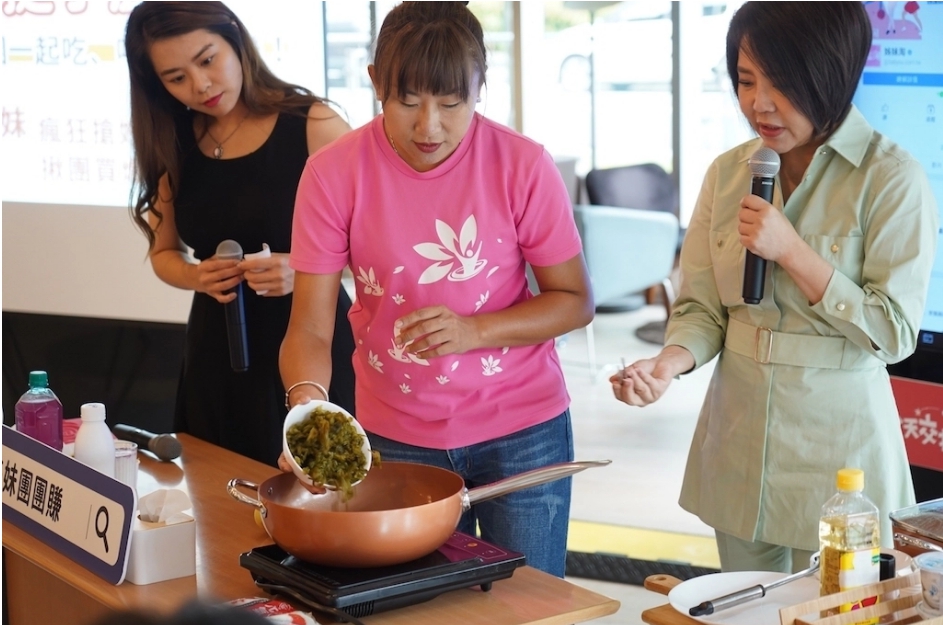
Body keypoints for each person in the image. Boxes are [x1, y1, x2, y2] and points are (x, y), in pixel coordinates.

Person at [611, 2, 938, 574]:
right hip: (738, 443)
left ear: (831, 73)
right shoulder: (728, 172)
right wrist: (667, 363)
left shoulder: (891, 177)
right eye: (745, 81)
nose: (758, 103)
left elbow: (893, 334)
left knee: (839, 607)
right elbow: (702, 308)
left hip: (840, 459)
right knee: (742, 607)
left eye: (780, 82)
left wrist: (793, 252)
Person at [278, 1, 594, 577]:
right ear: (376, 81)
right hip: (395, 433)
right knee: (417, 605)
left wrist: (474, 331)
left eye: (452, 103)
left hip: (523, 428)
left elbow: (575, 301)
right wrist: (307, 410)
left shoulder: (522, 165)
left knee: (529, 605)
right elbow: (310, 328)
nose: (429, 127)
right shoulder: (333, 173)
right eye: (407, 101)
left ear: (479, 87)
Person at [125, 2, 356, 465]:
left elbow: (379, 247)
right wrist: (197, 276)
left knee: (323, 483)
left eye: (207, 60)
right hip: (217, 352)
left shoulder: (313, 125)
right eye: (176, 77)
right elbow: (165, 253)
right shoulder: (173, 141)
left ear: (234, 37)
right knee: (217, 490)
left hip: (314, 343)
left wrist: (305, 270)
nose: (200, 85)